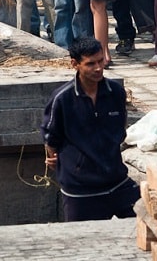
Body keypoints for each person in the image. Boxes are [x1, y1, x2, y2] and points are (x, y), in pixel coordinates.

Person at [42, 36, 137, 221]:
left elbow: (120, 130)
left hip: (117, 181)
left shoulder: (116, 92)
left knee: (147, 222)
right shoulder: (62, 99)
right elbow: (50, 136)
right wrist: (56, 158)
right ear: (74, 64)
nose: (98, 68)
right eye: (90, 64)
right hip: (80, 190)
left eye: (100, 61)